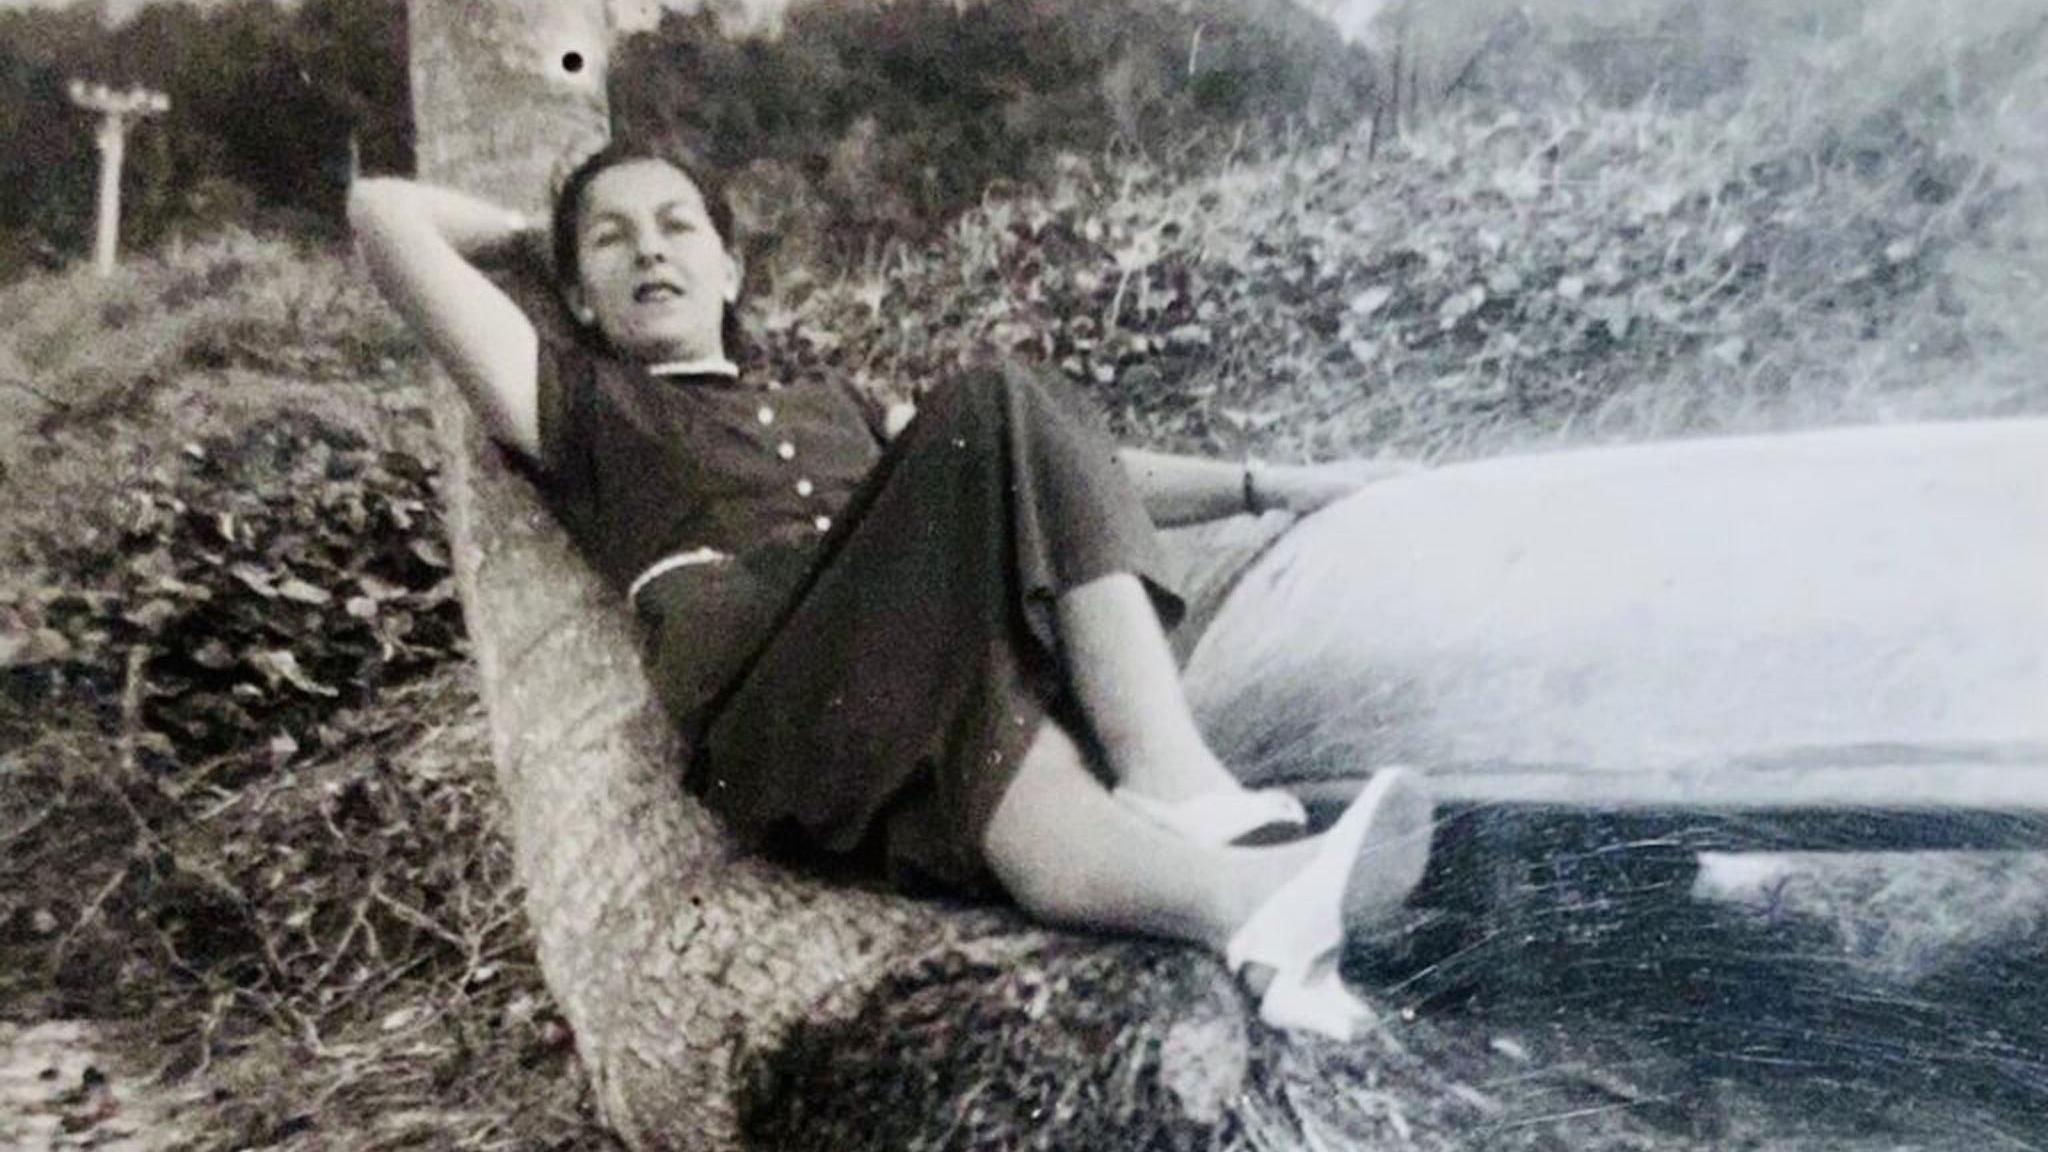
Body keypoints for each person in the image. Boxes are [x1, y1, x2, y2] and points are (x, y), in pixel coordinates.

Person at [348, 141, 1435, 1041]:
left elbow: (1071, 461)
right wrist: (538, 242)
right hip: (771, 705)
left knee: (1007, 715)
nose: (650, 249)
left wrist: (1270, 483)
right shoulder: (580, 405)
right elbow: (384, 212)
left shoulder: (833, 407)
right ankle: (1178, 782)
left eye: (678, 225)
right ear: (576, 294)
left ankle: (1251, 914)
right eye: (612, 237)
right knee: (997, 394)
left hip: (900, 682)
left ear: (730, 272)